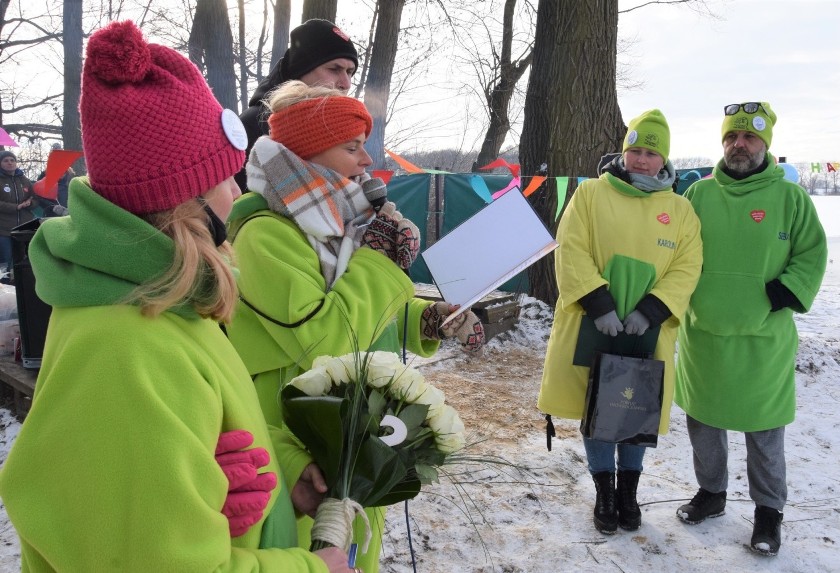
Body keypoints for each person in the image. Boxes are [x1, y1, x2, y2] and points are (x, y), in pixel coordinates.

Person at [0, 21, 353, 573]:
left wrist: (275, 484)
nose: (236, 196)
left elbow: (171, 472)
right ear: (179, 200)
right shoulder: (122, 349)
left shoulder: (164, 301)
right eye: (224, 178)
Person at [226, 80, 484, 573]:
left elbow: (369, 306)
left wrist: (425, 318)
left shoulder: (344, 224)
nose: (366, 161)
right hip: (295, 432)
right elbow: (324, 338)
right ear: (307, 155)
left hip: (353, 418)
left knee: (355, 545)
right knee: (308, 548)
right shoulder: (265, 236)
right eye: (351, 147)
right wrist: (382, 262)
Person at [538, 109, 703, 534]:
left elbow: (687, 266)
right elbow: (571, 247)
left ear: (663, 159)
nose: (641, 159)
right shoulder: (591, 194)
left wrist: (652, 309)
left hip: (647, 330)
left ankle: (629, 491)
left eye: (650, 152)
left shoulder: (680, 210)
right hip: (595, 323)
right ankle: (604, 491)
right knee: (598, 405)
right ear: (624, 151)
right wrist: (598, 302)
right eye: (635, 150)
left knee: (635, 408)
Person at [674, 101, 828, 556]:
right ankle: (712, 494)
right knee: (703, 423)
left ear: (765, 145)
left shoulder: (790, 197)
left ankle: (768, 512)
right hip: (703, 334)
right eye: (731, 137)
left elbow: (812, 253)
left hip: (764, 338)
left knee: (763, 429)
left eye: (749, 137)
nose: (739, 145)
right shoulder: (698, 195)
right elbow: (675, 250)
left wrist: (784, 293)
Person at [236, 18, 359, 192]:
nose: (345, 83)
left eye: (350, 72)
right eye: (334, 69)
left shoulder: (340, 132)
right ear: (301, 70)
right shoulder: (253, 125)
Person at [0, 150, 34, 281]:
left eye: (12, 160)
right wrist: (16, 207)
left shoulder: (24, 179)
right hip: (4, 229)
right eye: (6, 160)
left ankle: (21, 286)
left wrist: (30, 203)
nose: (10, 163)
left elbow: (34, 197)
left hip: (23, 228)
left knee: (21, 259)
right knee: (5, 259)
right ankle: (3, 286)